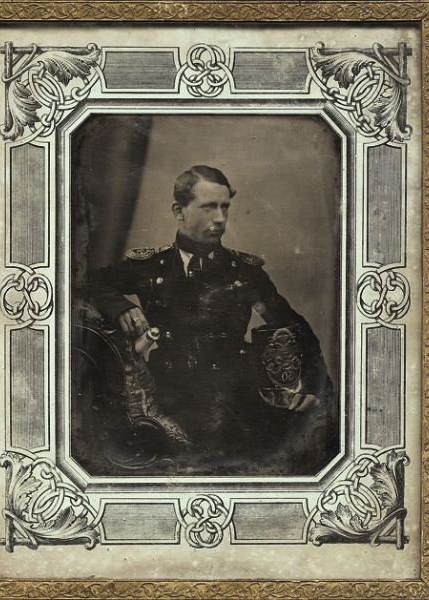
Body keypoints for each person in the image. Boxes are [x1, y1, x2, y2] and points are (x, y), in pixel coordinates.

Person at [85, 165, 338, 475]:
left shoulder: (244, 272)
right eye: (208, 207)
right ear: (179, 211)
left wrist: (313, 385)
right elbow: (88, 282)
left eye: (224, 207)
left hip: (236, 396)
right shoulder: (150, 267)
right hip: (170, 393)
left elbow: (293, 325)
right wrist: (121, 306)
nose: (220, 218)